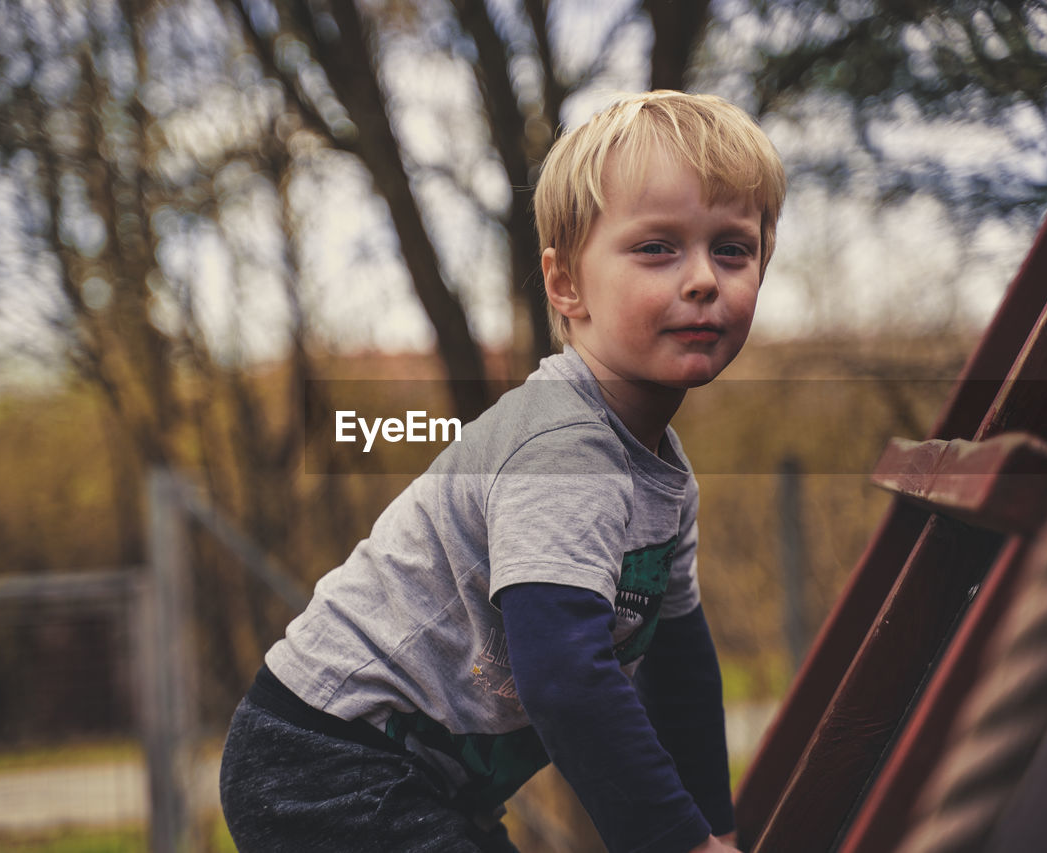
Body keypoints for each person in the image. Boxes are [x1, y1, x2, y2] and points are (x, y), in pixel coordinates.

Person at [219, 90, 786, 853]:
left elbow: (680, 667)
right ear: (565, 285)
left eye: (732, 249)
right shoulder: (564, 449)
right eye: (657, 247)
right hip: (328, 759)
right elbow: (566, 681)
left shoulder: (663, 474)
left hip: (412, 773)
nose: (702, 279)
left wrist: (718, 828)